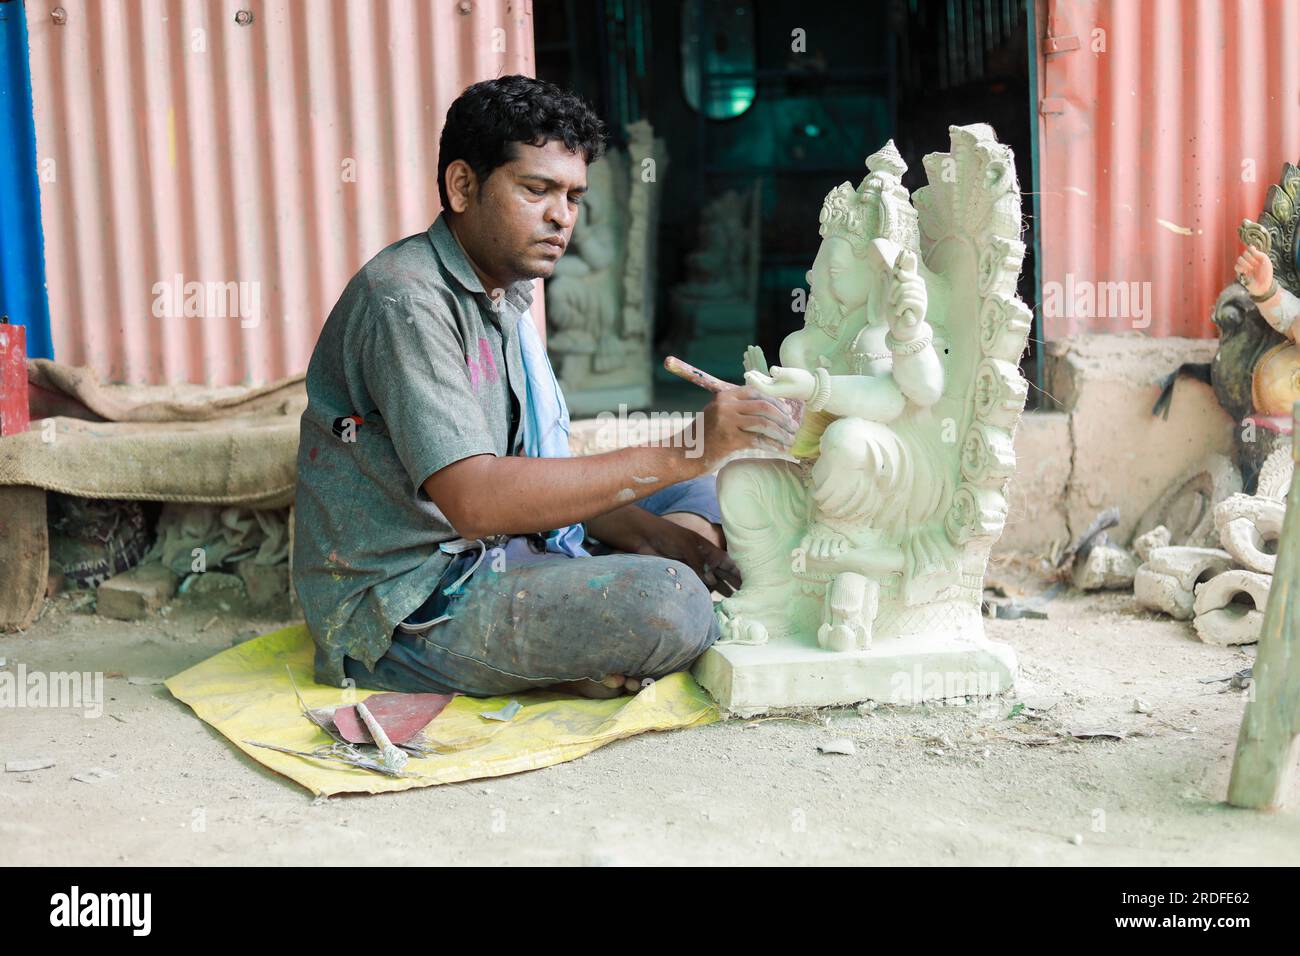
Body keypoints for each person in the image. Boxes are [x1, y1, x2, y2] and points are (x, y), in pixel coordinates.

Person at [292, 75, 798, 699]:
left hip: (500, 543)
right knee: (672, 604)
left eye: (574, 196)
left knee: (709, 490)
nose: (563, 217)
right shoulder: (407, 299)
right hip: (411, 597)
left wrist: (662, 534)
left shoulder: (506, 291)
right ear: (462, 186)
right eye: (538, 190)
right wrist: (687, 445)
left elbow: (533, 468)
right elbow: (477, 501)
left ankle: (591, 627)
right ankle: (571, 641)